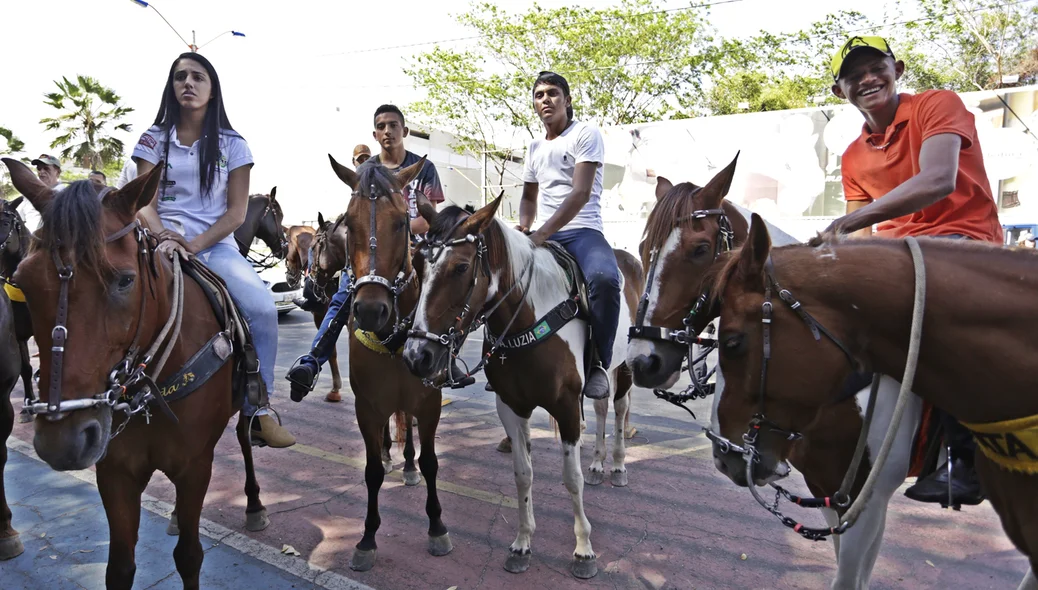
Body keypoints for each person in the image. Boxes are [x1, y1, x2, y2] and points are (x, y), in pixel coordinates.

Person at [825, 36, 1002, 506]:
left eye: (875, 67)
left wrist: (848, 221)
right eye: (853, 75)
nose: (867, 79)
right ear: (839, 90)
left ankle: (962, 459)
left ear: (897, 69)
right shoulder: (851, 156)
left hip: (963, 241)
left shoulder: (937, 105)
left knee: (935, 302)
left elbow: (939, 179)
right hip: (898, 255)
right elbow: (860, 241)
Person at [132, 52, 295, 448]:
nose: (188, 83)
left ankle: (259, 407)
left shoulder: (233, 145)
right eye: (180, 77)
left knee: (260, 309)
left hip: (213, 248)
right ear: (171, 87)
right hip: (154, 242)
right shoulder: (153, 139)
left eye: (198, 77)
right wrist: (165, 237)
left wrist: (193, 243)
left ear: (212, 88)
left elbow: (237, 213)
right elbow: (141, 203)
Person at [286, 105, 454, 399]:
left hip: (414, 247)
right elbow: (361, 214)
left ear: (405, 131)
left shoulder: (424, 168)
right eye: (381, 126)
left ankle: (449, 363)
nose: (387, 131)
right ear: (375, 134)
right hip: (373, 253)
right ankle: (312, 361)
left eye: (393, 125)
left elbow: (429, 216)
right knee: (342, 295)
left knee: (449, 290)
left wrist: (397, 231)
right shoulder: (365, 170)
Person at [516, 71, 618, 401]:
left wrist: (542, 234)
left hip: (582, 231)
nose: (546, 99)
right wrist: (524, 226)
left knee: (604, 280)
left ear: (567, 100)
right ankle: (500, 358)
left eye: (553, 93)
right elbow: (529, 196)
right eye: (539, 95)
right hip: (543, 234)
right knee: (500, 275)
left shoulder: (585, 134)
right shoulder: (533, 148)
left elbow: (580, 193)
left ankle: (599, 363)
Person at [18, 154, 66, 231]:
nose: (41, 172)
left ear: (58, 172)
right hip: (27, 240)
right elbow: (17, 217)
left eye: (46, 168)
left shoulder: (66, 196)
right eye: (39, 168)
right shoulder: (29, 193)